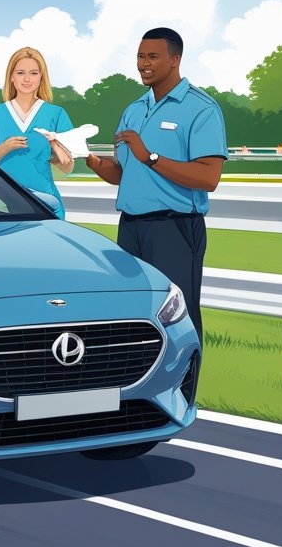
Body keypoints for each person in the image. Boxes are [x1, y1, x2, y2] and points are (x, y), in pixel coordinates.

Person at [85, 27, 227, 340]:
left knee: (177, 317)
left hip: (174, 229)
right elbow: (123, 174)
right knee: (133, 315)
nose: (143, 64)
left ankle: (186, 374)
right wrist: (91, 160)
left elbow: (208, 177)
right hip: (130, 227)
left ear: (175, 60)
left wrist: (150, 157)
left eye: (152, 56)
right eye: (140, 56)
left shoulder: (201, 109)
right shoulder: (133, 110)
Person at [0, 47, 74, 218]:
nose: (27, 79)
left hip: (45, 203)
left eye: (34, 73)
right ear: (11, 76)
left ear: (41, 77)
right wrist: (4, 148)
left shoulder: (56, 114)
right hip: (3, 202)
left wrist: (56, 149)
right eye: (20, 73)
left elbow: (68, 167)